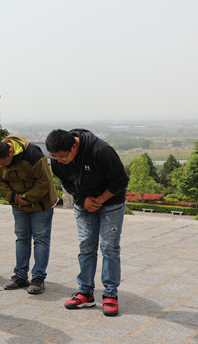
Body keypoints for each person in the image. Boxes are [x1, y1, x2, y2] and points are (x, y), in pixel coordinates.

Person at [46, 129, 129, 317]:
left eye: (62, 156)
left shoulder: (101, 150)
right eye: (55, 157)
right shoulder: (57, 159)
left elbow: (121, 180)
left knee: (109, 248)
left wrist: (99, 200)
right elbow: (66, 183)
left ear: (74, 146)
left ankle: (110, 294)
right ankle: (85, 292)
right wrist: (83, 200)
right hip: (83, 204)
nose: (59, 160)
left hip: (111, 203)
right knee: (86, 246)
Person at [0, 136, 57, 295]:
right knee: (22, 238)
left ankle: (38, 278)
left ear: (10, 151)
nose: (1, 167)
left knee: (40, 239)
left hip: (41, 203)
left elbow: (44, 182)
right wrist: (13, 197)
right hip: (18, 203)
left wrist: (26, 197)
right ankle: (20, 275)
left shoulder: (33, 155)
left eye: (4, 163)